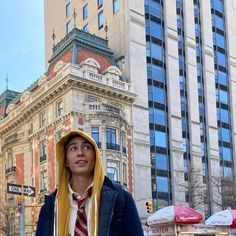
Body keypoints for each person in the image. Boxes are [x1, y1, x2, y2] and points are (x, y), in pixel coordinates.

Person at [36, 130, 144, 236]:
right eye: (73, 148)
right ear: (65, 161)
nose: (80, 153)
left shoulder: (120, 199)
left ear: (96, 156)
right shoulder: (50, 207)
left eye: (86, 147)